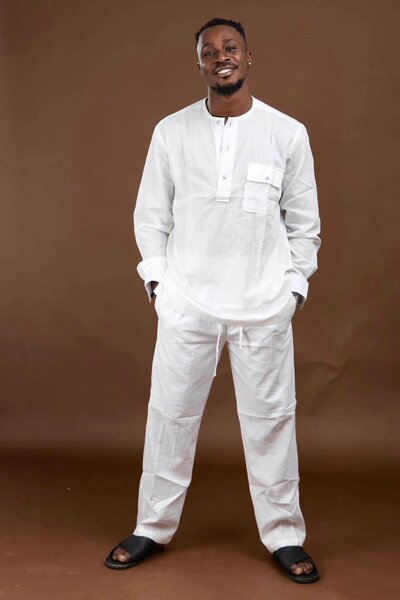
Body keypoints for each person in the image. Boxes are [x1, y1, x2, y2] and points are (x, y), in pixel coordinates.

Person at [105, 17, 321, 584]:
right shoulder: (171, 132)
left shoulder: (286, 133)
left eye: (230, 48)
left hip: (263, 305)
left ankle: (284, 534)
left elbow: (305, 225)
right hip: (188, 304)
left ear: (249, 58)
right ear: (199, 63)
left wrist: (292, 290)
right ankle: (152, 526)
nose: (220, 57)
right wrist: (160, 286)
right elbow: (150, 217)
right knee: (169, 416)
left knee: (271, 421)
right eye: (209, 51)